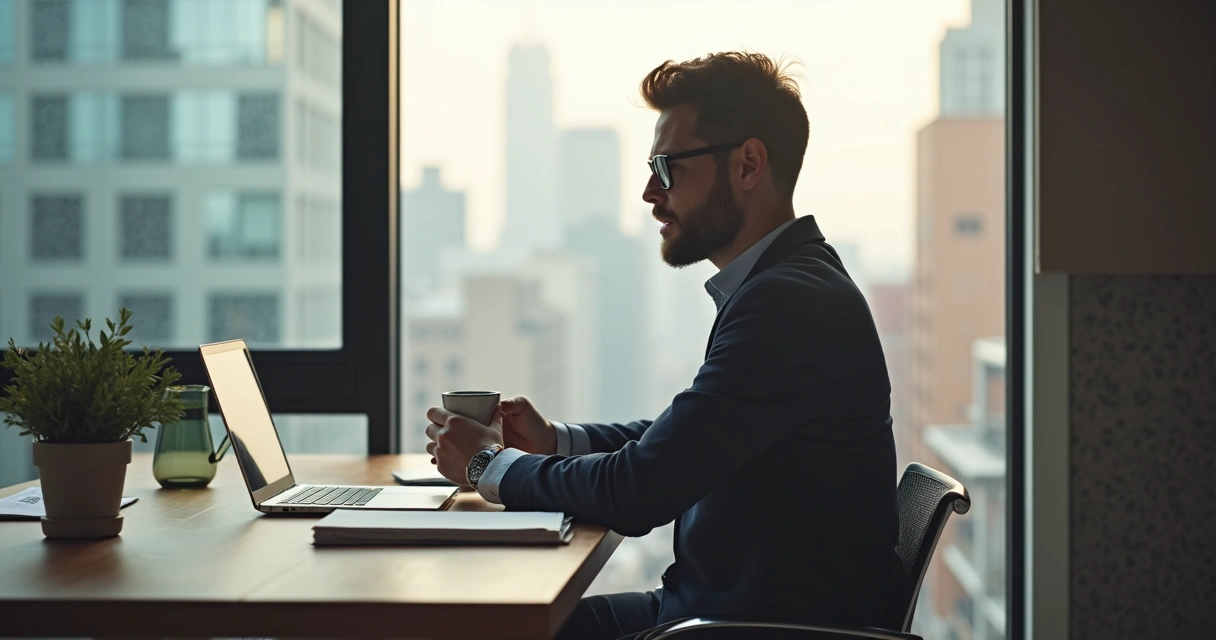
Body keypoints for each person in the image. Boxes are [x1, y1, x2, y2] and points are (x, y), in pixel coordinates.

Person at [425, 51, 903, 640]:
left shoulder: (787, 303)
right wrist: (555, 443)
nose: (651, 192)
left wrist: (485, 464)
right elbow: (688, 438)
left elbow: (639, 491)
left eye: (668, 166)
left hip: (739, 628)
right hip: (716, 612)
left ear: (748, 164)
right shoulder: (785, 284)